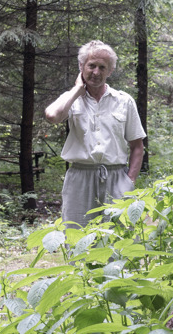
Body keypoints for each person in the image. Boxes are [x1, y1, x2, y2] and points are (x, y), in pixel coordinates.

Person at [45, 40, 146, 228]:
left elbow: (137, 146)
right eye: (91, 66)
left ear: (110, 71)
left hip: (117, 177)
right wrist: (77, 90)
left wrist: (129, 181)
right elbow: (52, 116)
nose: (96, 72)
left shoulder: (124, 101)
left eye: (102, 67)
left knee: (119, 239)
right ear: (81, 66)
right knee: (76, 236)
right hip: (79, 178)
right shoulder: (71, 100)